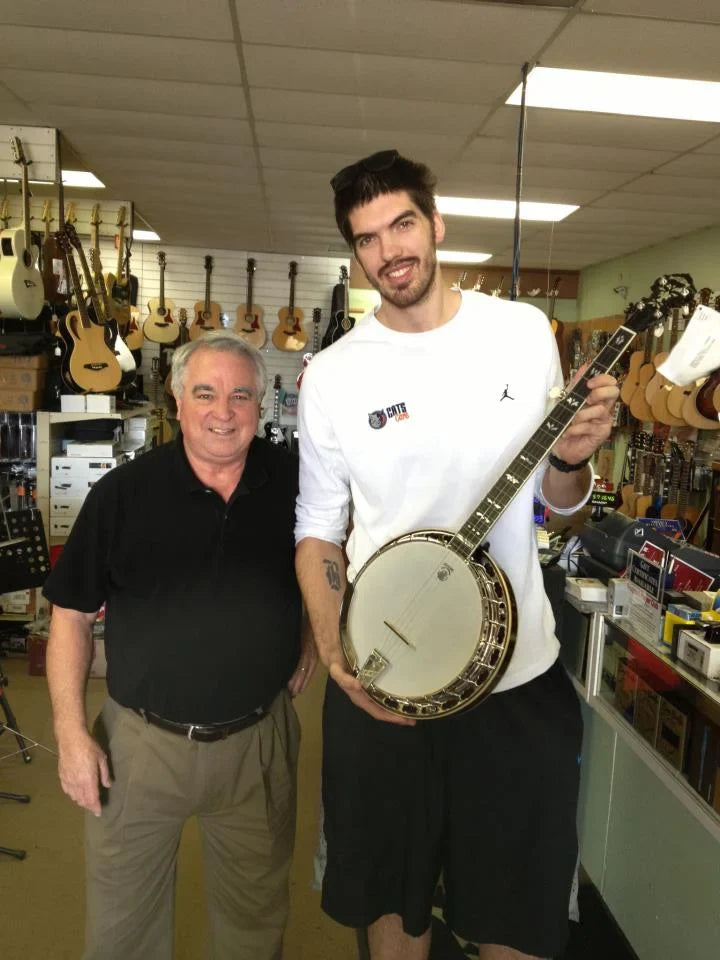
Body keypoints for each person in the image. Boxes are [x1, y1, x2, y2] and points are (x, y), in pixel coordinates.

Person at [295, 149, 619, 960]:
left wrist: (574, 461)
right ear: (355, 253)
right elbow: (316, 529)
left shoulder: (521, 334)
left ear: (435, 225)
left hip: (515, 686)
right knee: (392, 915)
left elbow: (560, 507)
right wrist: (337, 653)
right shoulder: (334, 375)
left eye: (401, 223)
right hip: (385, 682)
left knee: (511, 918)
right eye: (366, 238)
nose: (388, 250)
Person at [44, 330, 317, 960]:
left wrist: (311, 635)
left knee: (254, 926)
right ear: (176, 399)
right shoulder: (121, 495)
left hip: (258, 746)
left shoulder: (298, 485)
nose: (223, 411)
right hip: (140, 748)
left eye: (241, 395)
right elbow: (71, 617)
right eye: (206, 393)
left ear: (261, 403)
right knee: (122, 933)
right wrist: (70, 736)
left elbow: (333, 562)